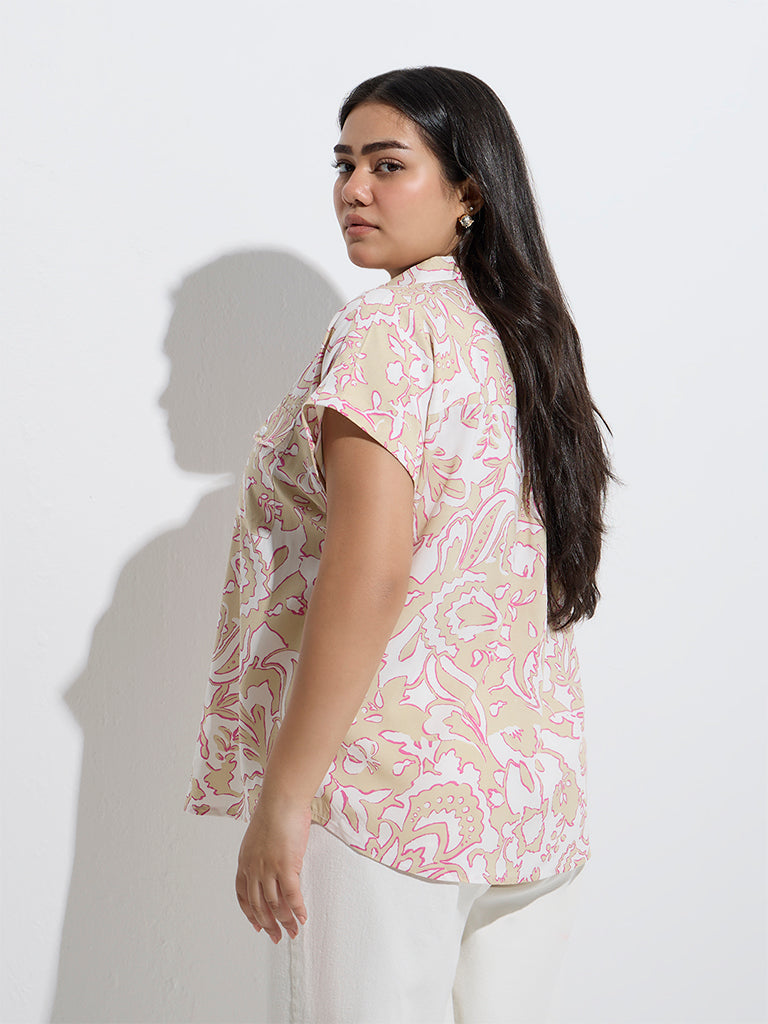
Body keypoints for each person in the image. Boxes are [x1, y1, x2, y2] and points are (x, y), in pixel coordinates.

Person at [184, 66, 617, 1023]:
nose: (354, 189)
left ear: (470, 191)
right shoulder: (527, 337)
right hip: (531, 802)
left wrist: (285, 797)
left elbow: (369, 572)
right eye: (343, 165)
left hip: (389, 801)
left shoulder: (385, 328)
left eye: (388, 165)